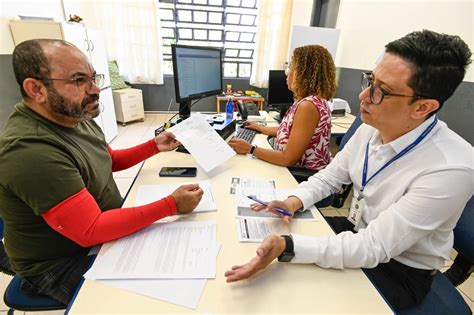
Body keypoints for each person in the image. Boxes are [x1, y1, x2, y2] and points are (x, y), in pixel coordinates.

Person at [224, 30, 472, 311]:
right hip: (357, 231)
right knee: (258, 249)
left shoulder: (452, 167)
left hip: (400, 269)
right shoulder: (370, 128)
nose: (363, 95)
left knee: (293, 296)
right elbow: (331, 176)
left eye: (381, 90)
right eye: (370, 79)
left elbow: (373, 247)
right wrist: (293, 201)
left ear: (423, 107)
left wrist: (289, 245)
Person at [0, 39, 203, 304]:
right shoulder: (30, 151)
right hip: (59, 262)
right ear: (36, 89)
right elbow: (91, 230)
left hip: (98, 230)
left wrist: (153, 146)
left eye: (93, 77)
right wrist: (171, 205)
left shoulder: (71, 115)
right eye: (78, 80)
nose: (95, 89)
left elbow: (109, 160)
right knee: (153, 300)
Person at [229, 45, 336, 174]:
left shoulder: (308, 107)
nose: (287, 72)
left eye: (291, 67)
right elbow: (289, 131)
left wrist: (250, 149)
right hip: (296, 169)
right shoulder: (311, 101)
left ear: (304, 74)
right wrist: (259, 127)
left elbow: (288, 159)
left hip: (301, 176)